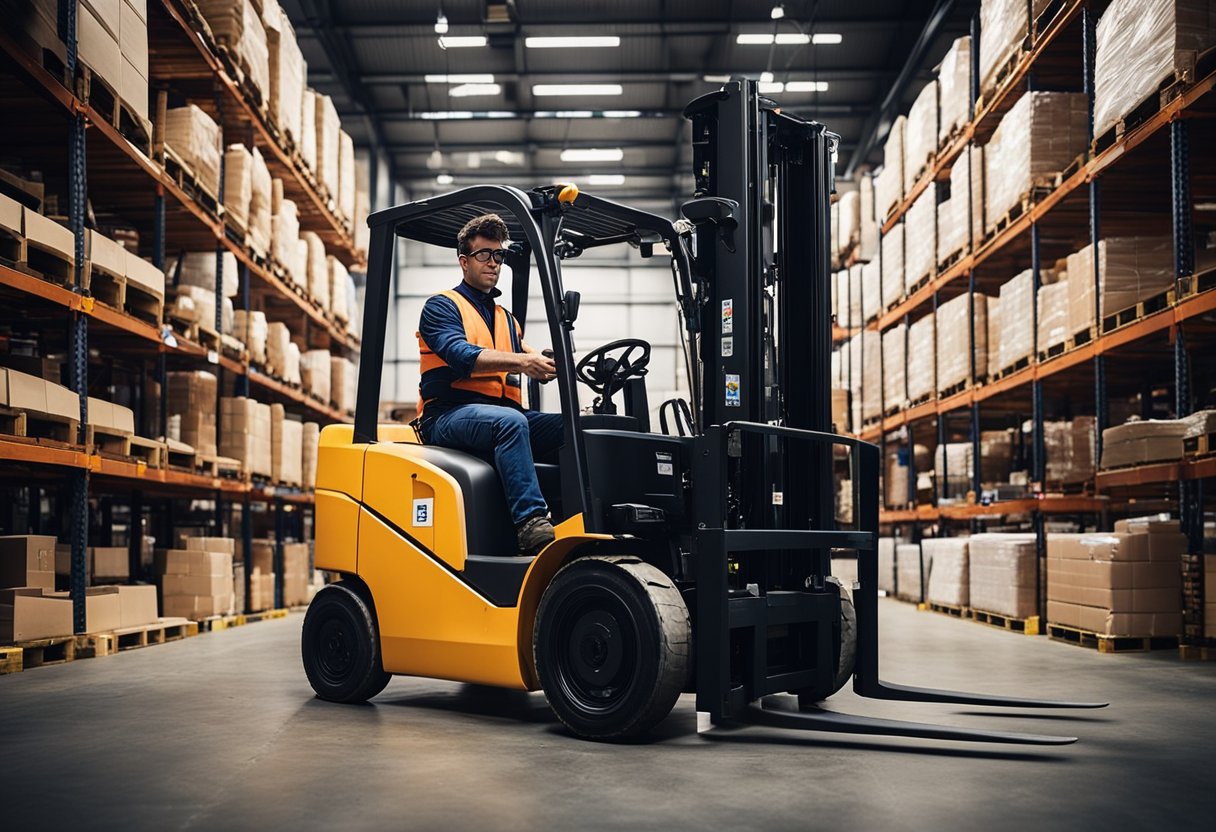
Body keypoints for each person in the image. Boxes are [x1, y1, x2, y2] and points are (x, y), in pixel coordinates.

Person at [415, 213, 564, 554]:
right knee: (509, 423)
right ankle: (531, 523)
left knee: (572, 428)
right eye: (484, 254)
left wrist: (553, 362)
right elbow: (461, 355)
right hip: (448, 416)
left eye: (498, 255)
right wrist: (525, 362)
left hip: (498, 414)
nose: (493, 263)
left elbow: (526, 355)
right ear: (464, 261)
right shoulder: (442, 307)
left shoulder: (505, 319)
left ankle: (579, 513)